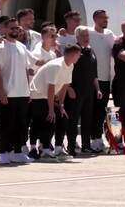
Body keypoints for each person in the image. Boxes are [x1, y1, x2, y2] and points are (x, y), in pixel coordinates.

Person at [0, 18, 42, 164]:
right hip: (8, 92)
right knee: (6, 124)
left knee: (21, 124)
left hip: (23, 93)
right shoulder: (0, 46)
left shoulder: (21, 46)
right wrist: (1, 92)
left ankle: (17, 151)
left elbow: (30, 66)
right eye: (12, 28)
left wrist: (28, 90)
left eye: (17, 28)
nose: (15, 31)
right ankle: (2, 152)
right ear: (5, 29)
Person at [29, 44, 80, 158]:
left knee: (63, 117)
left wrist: (61, 106)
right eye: (78, 55)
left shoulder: (70, 65)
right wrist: (51, 109)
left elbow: (64, 87)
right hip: (38, 95)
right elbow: (50, 88)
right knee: (49, 119)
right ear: (72, 55)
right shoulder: (56, 65)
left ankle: (58, 148)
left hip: (48, 96)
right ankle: (44, 149)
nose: (78, 57)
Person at [64, 26, 103, 155]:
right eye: (83, 36)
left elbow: (94, 74)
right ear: (77, 37)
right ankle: (71, 146)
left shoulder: (91, 51)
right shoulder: (73, 50)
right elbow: (65, 70)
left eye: (87, 36)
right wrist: (69, 88)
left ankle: (86, 145)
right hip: (75, 91)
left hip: (89, 91)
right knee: (73, 120)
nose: (86, 38)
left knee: (87, 119)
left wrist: (97, 89)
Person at [27, 26, 58, 159]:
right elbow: (30, 71)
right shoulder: (36, 53)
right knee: (37, 121)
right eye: (51, 36)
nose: (54, 38)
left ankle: (44, 145)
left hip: (48, 93)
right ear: (44, 37)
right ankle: (33, 147)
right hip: (36, 93)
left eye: (55, 36)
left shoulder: (52, 54)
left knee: (48, 121)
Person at [89, 10, 116, 151]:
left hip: (105, 79)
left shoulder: (110, 34)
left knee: (100, 111)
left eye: (107, 18)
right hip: (91, 79)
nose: (106, 20)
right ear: (95, 19)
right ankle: (91, 140)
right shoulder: (89, 33)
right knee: (90, 110)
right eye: (102, 18)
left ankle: (98, 138)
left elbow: (118, 45)